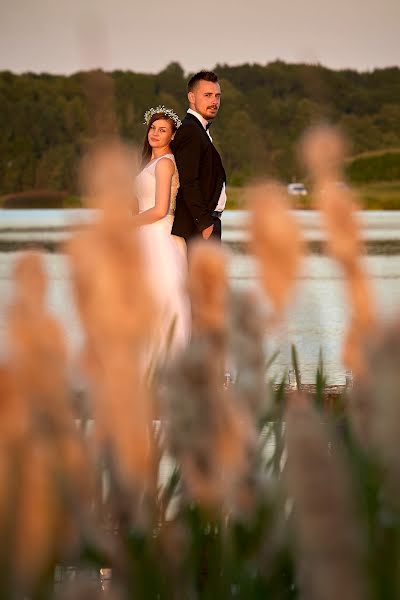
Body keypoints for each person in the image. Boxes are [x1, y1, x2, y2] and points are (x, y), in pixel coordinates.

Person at [133, 106, 190, 363]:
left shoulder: (166, 163)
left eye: (162, 130)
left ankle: (168, 361)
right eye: (153, 128)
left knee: (163, 297)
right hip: (145, 235)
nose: (155, 133)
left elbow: (160, 209)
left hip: (159, 236)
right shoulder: (151, 162)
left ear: (173, 136)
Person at [171, 71, 226, 243]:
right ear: (192, 97)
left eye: (217, 96)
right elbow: (189, 181)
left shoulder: (198, 130)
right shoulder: (190, 130)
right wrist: (205, 224)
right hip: (200, 228)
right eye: (208, 95)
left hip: (204, 224)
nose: (214, 101)